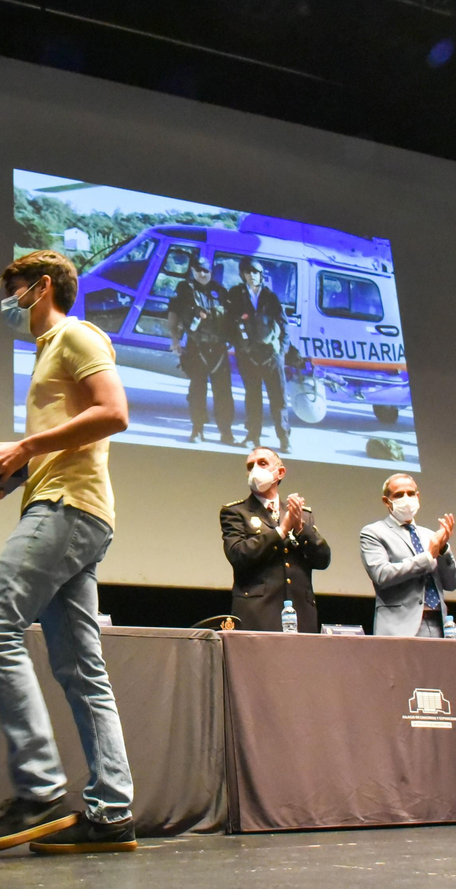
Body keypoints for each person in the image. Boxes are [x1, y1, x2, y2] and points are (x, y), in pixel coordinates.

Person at [0, 250, 137, 855]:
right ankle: (112, 812)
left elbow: (114, 412)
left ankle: (38, 790)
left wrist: (26, 446)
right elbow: (76, 434)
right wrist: (18, 466)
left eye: (11, 290)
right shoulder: (45, 352)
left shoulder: (76, 334)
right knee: (83, 671)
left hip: (68, 510)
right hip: (70, 505)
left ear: (40, 288)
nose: (7, 303)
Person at [220, 447, 331, 632]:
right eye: (250, 466)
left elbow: (322, 560)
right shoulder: (235, 512)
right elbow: (238, 555)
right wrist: (281, 530)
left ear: (280, 473)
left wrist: (301, 529)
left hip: (301, 613)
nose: (255, 469)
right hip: (257, 613)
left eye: (262, 463)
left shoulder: (301, 514)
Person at [360, 474, 456, 637]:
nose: (406, 499)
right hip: (400, 628)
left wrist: (442, 550)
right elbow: (381, 575)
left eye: (410, 493)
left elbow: (452, 584)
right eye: (399, 495)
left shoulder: (430, 535)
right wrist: (427, 557)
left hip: (439, 626)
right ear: (386, 501)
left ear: (417, 497)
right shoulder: (374, 533)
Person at [224, 257, 290, 452]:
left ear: (261, 275)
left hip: (271, 356)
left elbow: (284, 325)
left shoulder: (271, 296)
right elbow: (229, 324)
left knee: (278, 398)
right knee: (252, 397)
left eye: (255, 272)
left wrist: (281, 350)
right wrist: (240, 346)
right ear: (242, 274)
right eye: (248, 272)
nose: (252, 276)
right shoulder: (236, 295)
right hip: (248, 355)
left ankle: (284, 438)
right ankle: (253, 436)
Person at [167, 256, 235, 445]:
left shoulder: (220, 292)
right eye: (198, 270)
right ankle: (197, 430)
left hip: (219, 349)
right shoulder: (184, 290)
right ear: (193, 271)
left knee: (223, 392)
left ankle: (226, 432)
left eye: (205, 270)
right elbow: (173, 315)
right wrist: (175, 340)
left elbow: (231, 319)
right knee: (197, 391)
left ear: (211, 272)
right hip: (197, 347)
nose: (202, 274)